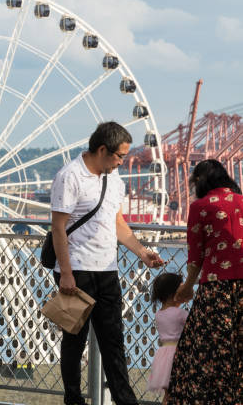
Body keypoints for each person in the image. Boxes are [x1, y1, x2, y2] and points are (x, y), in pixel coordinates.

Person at [50, 121, 164, 405]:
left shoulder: (115, 180)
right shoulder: (69, 176)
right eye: (120, 156)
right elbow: (58, 227)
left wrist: (141, 251)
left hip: (107, 269)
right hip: (76, 270)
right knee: (74, 341)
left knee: (114, 340)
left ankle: (125, 401)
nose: (123, 162)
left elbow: (117, 223)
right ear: (102, 149)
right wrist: (66, 274)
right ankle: (73, 399)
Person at [167, 159, 243, 404]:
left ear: (200, 181)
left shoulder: (200, 206)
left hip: (216, 290)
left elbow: (195, 257)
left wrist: (187, 287)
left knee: (205, 351)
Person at [147, 273, 188, 405]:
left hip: (164, 355)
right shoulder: (180, 314)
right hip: (178, 354)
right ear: (174, 294)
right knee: (182, 391)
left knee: (168, 394)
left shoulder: (159, 314)